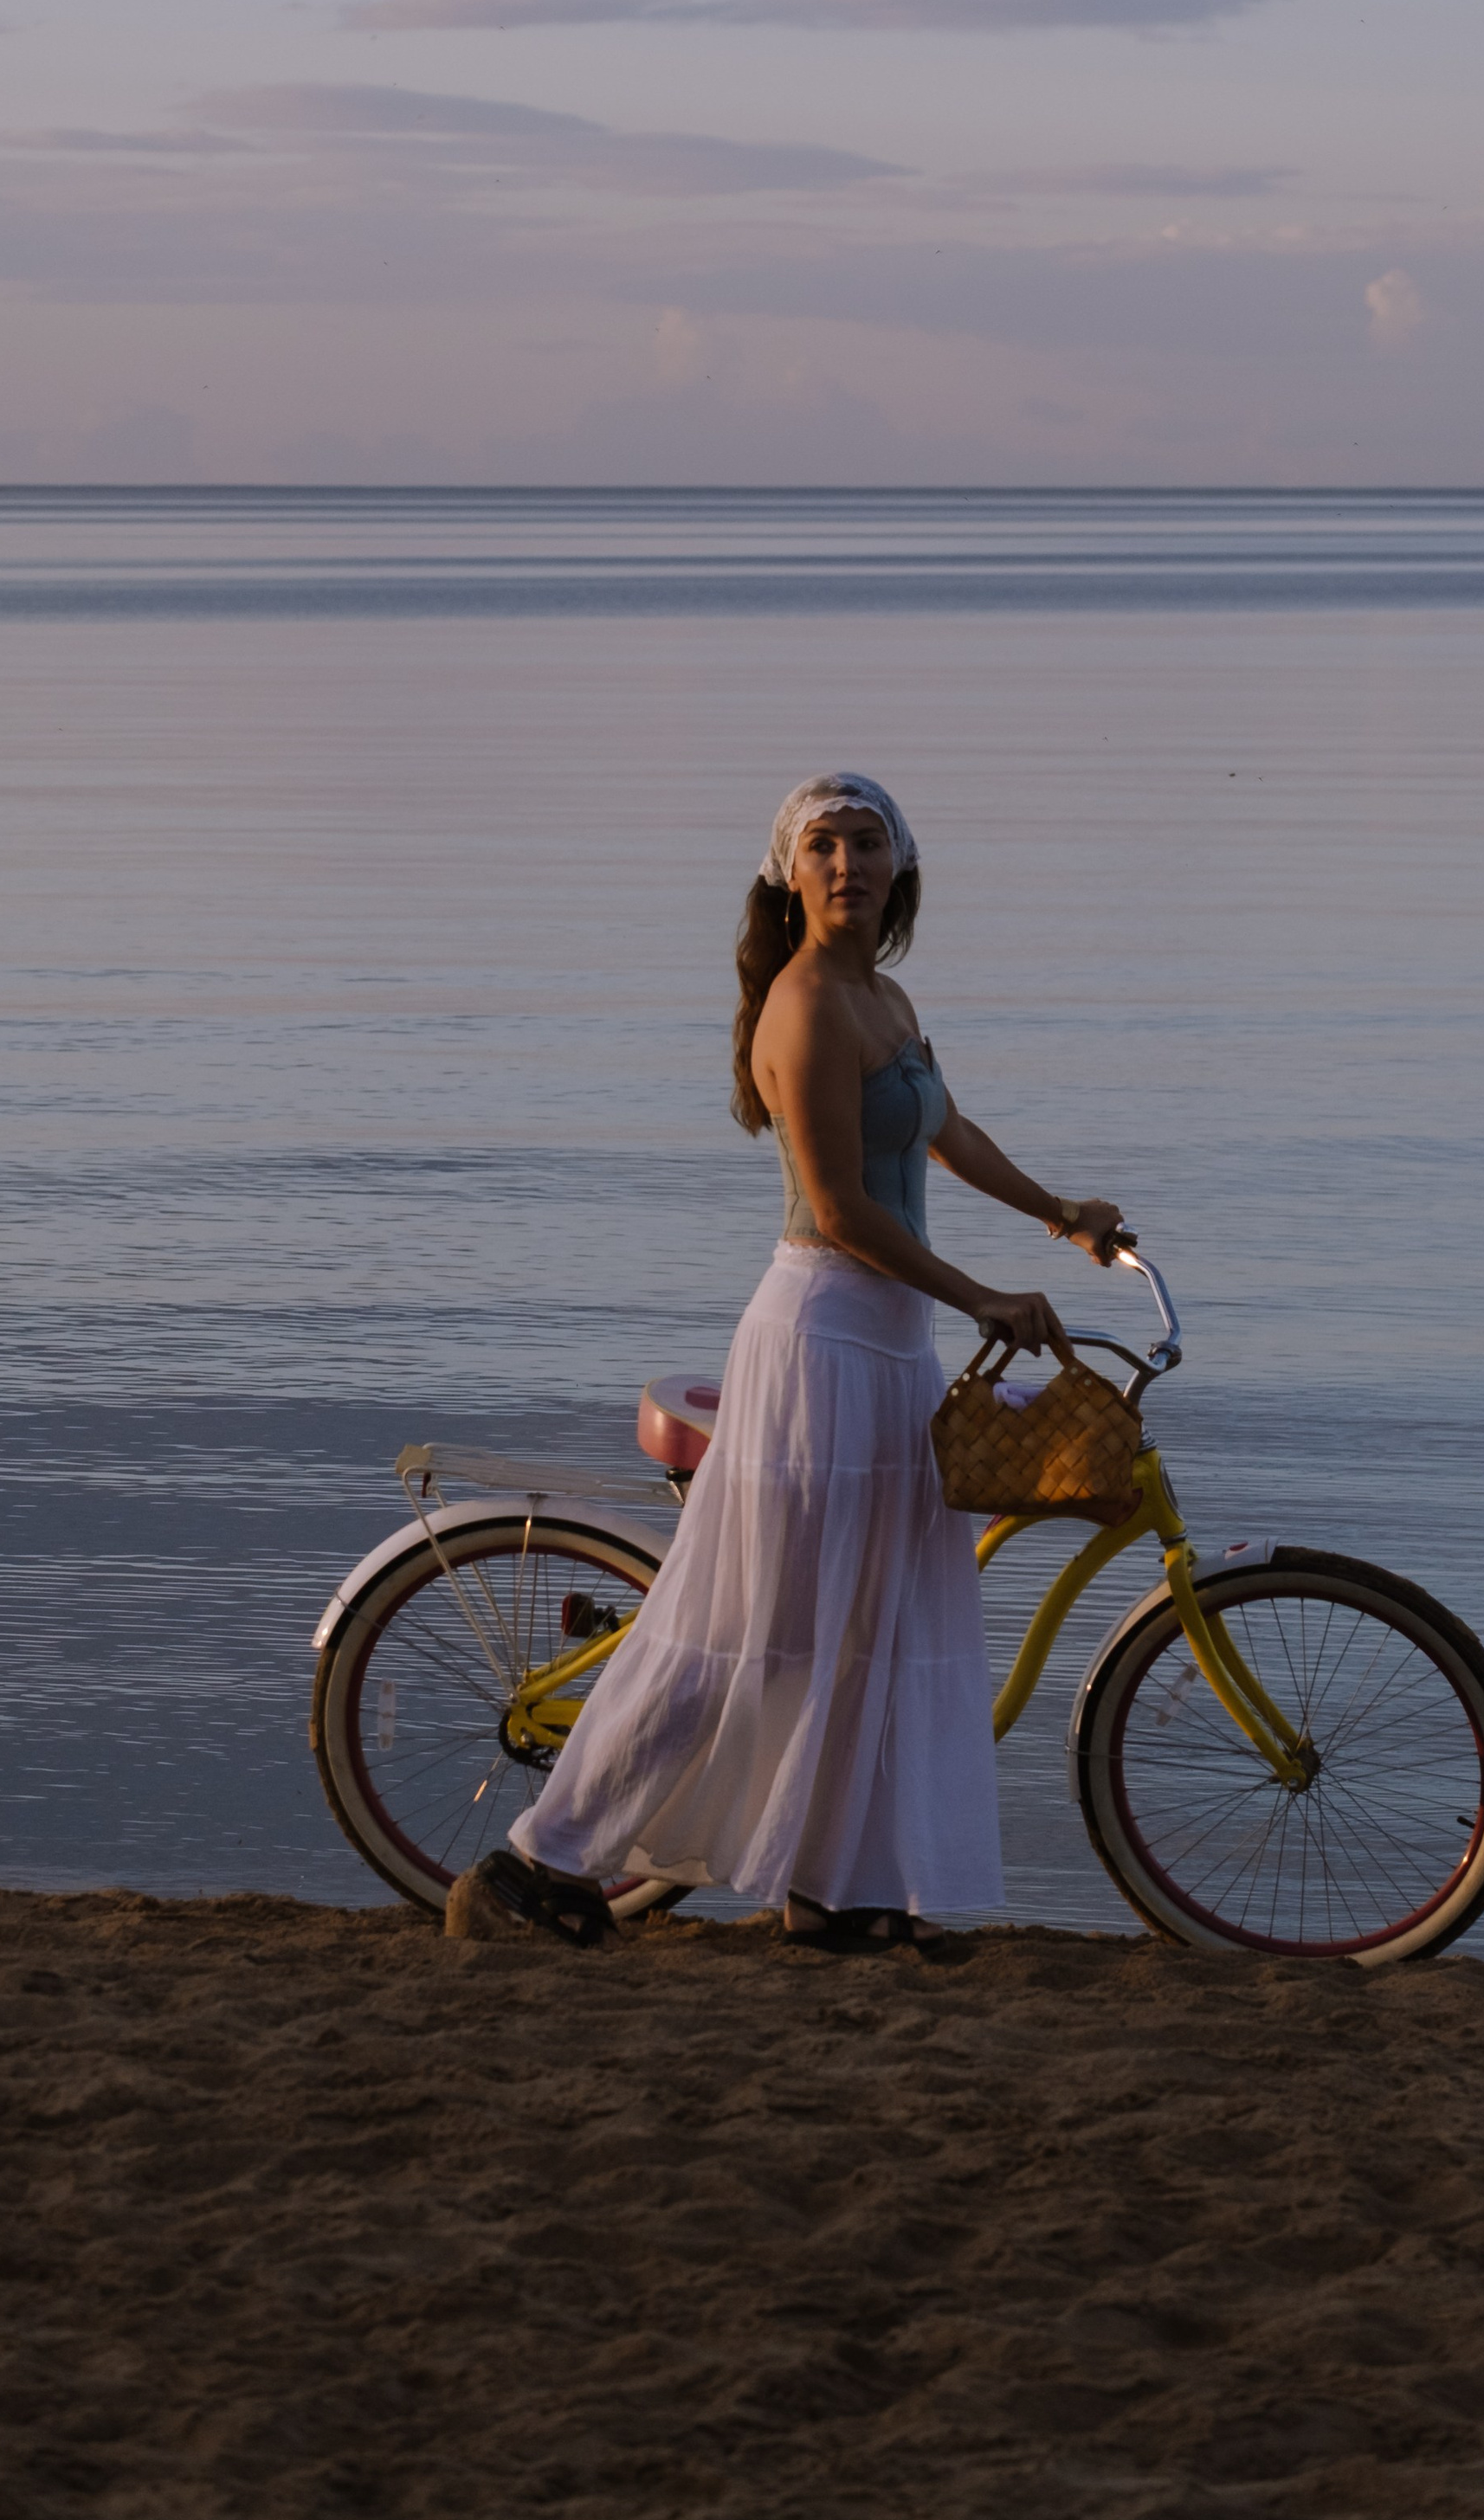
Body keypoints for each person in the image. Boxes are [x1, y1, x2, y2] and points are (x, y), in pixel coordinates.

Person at [476, 770, 1125, 1955]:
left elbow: (946, 1128)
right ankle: (538, 1859)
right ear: (790, 875)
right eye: (821, 847)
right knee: (752, 1631)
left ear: (899, 868)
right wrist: (979, 1293)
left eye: (866, 844)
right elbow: (836, 1209)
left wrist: (1059, 1213)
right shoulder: (806, 1005)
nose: (846, 866)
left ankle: (836, 1891)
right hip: (821, 1340)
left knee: (865, 1624)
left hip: (891, 1348)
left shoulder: (885, 994)